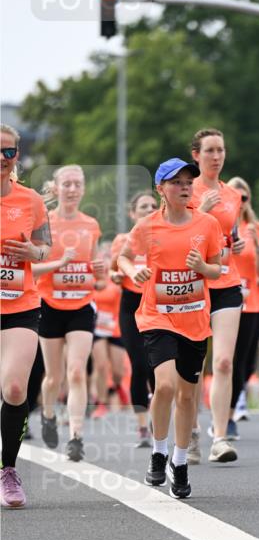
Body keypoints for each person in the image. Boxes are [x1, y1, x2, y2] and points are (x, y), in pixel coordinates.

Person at [117, 158, 223, 499]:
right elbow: (123, 256)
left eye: (188, 181)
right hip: (156, 316)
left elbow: (219, 270)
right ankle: (158, 451)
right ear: (160, 189)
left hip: (194, 319)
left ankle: (180, 461)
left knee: (188, 394)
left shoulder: (207, 224)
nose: (184, 187)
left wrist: (202, 266)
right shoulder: (147, 226)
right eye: (176, 182)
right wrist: (134, 272)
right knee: (164, 386)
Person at [34, 164, 105, 461]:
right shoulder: (43, 224)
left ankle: (76, 436)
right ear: (57, 188)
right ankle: (48, 414)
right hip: (49, 304)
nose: (73, 189)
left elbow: (96, 271)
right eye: (67, 184)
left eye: (78, 184)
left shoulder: (91, 225)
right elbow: (32, 269)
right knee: (54, 377)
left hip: (81, 305)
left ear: (84, 188)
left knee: (76, 371)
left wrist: (100, 270)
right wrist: (58, 263)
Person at [0, 123, 52, 507]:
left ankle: (8, 470)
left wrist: (33, 255)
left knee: (16, 389)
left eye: (8, 152)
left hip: (20, 304)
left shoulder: (31, 200)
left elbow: (45, 248)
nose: (2, 159)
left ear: (17, 156)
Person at [189, 128, 244, 463]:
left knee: (223, 361)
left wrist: (235, 243)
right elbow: (179, 234)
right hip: (194, 285)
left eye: (220, 150)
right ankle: (190, 432)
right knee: (194, 366)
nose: (216, 156)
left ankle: (220, 437)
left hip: (227, 281)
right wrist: (203, 213)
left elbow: (228, 234)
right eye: (209, 150)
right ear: (196, 155)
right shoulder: (185, 190)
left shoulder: (233, 195)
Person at [227, 176, 259, 447]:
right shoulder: (217, 225)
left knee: (247, 366)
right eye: (234, 197)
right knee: (229, 363)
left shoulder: (256, 228)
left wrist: (257, 245)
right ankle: (227, 417)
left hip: (254, 305)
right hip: (226, 304)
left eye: (244, 197)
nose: (240, 202)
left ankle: (231, 405)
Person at [110, 190, 158, 446]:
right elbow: (111, 271)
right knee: (139, 365)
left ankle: (157, 418)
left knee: (156, 367)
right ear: (132, 213)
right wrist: (116, 276)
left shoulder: (165, 237)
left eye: (153, 205)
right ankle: (142, 427)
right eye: (143, 207)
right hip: (130, 307)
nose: (149, 210)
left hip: (158, 307)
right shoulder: (123, 241)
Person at [91, 245, 128, 417]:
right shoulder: (93, 280)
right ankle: (101, 403)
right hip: (97, 328)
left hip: (115, 328)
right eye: (101, 257)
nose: (104, 261)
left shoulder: (116, 278)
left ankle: (117, 386)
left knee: (118, 372)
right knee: (100, 365)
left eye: (107, 257)